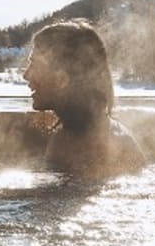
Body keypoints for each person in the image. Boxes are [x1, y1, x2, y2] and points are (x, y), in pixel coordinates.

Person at [23, 19, 146, 178]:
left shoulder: (97, 145)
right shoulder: (73, 135)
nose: (26, 75)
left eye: (34, 65)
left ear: (62, 78)